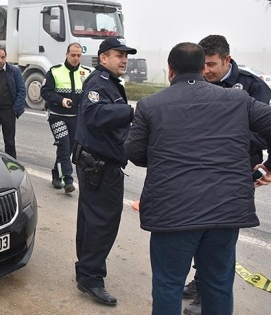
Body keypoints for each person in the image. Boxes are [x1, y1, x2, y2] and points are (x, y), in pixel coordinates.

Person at [125, 42, 271, 315]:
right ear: (203, 68)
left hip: (172, 213)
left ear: (170, 70)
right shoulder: (237, 100)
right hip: (225, 212)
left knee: (168, 285)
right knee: (217, 284)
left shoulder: (150, 105)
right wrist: (267, 167)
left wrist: (162, 159)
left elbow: (134, 152)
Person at [180, 35, 271, 315]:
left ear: (227, 61)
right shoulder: (197, 82)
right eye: (202, 65)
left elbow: (263, 130)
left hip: (235, 174)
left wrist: (267, 167)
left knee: (221, 238)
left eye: (211, 65)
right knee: (199, 230)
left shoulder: (253, 86)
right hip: (199, 173)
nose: (205, 72)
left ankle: (207, 297)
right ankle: (199, 280)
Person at [72, 37, 136, 305]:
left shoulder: (108, 82)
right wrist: (130, 111)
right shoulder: (99, 83)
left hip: (95, 163)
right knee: (103, 221)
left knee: (90, 218)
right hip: (99, 165)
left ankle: (85, 270)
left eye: (125, 56)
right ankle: (91, 277)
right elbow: (96, 115)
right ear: (103, 58)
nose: (123, 60)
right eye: (118, 55)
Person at [41, 42, 91, 193]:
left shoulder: (86, 73)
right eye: (73, 55)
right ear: (66, 54)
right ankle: (68, 180)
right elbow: (45, 92)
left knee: (69, 149)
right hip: (57, 116)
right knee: (63, 145)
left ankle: (56, 175)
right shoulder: (55, 71)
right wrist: (60, 100)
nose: (76, 58)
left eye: (79, 55)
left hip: (76, 118)